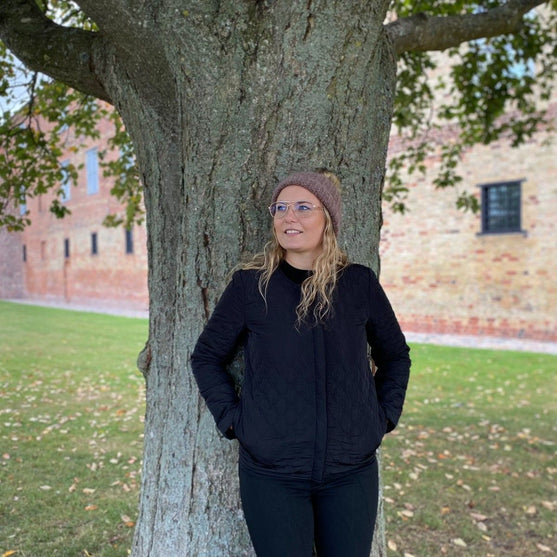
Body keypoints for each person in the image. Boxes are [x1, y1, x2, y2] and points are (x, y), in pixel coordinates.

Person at [191, 170, 411, 557]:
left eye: (303, 207)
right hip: (271, 475)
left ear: (328, 218)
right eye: (280, 208)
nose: (289, 216)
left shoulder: (358, 284)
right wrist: (234, 421)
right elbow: (207, 357)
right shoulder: (250, 286)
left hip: (351, 472)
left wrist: (382, 418)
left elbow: (394, 356)